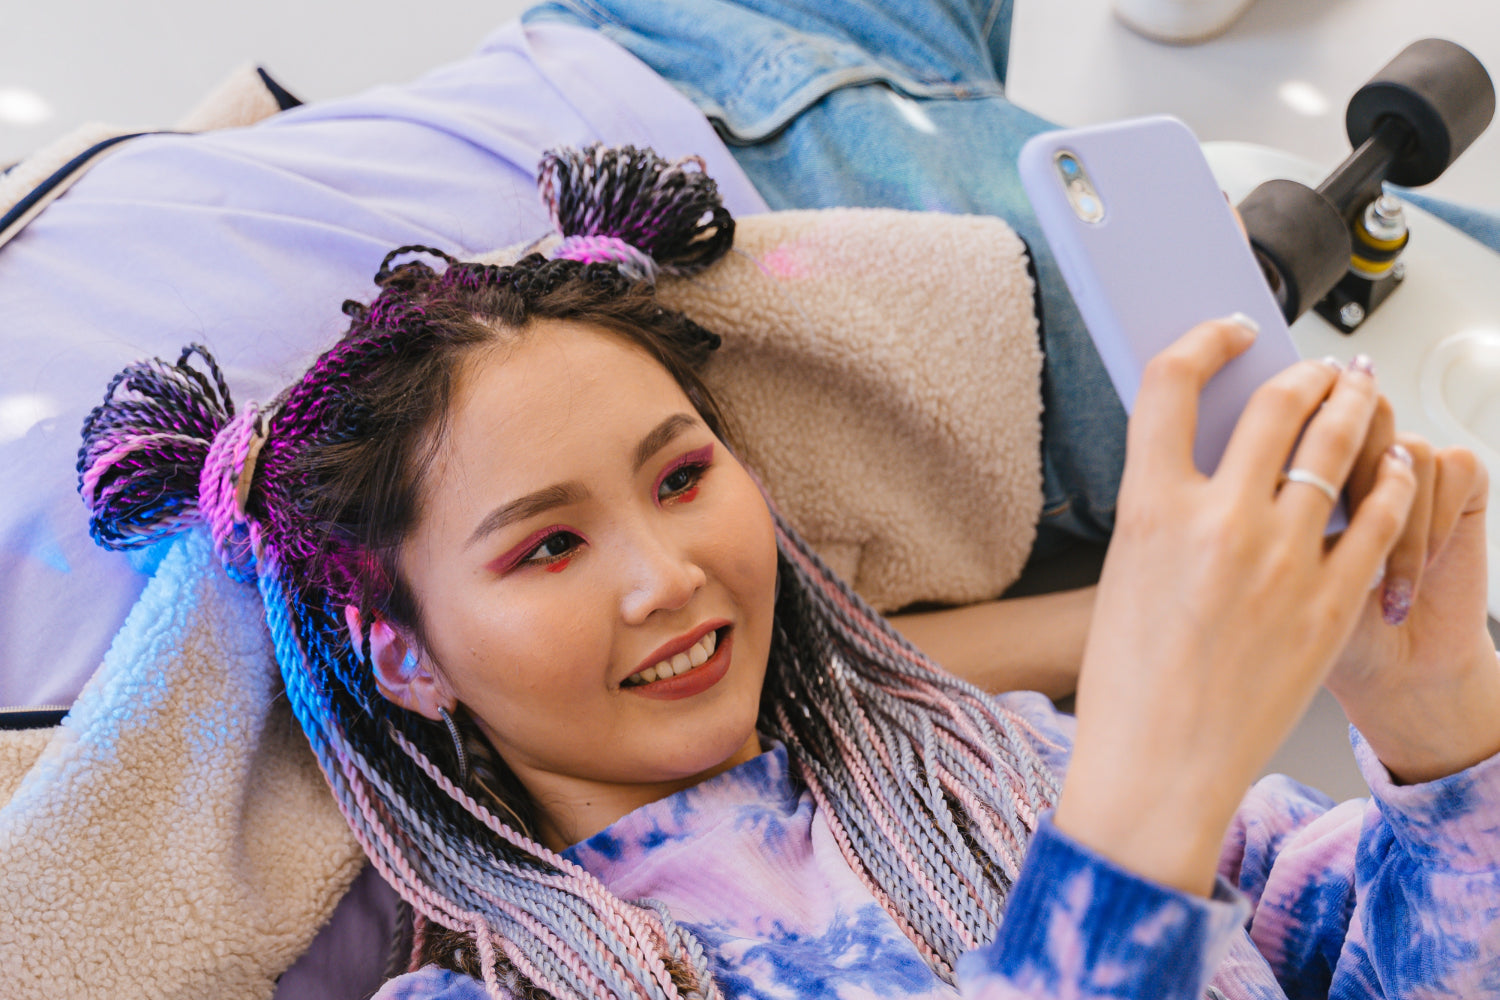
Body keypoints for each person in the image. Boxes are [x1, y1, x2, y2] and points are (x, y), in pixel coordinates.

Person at [78, 145, 1500, 999]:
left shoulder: (997, 765)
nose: (668, 576)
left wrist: (1442, 726)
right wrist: (1143, 808)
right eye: (550, 545)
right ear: (407, 653)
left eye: (685, 477)